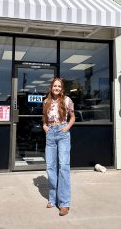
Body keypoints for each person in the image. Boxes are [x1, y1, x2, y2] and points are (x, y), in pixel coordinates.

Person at [42, 77, 75, 216]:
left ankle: (64, 203)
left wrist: (67, 127)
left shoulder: (67, 100)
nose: (57, 88)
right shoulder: (46, 101)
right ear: (51, 87)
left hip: (62, 133)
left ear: (62, 88)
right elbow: (44, 117)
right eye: (55, 86)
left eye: (59, 86)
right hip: (50, 134)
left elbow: (72, 117)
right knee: (50, 167)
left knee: (63, 166)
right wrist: (44, 125)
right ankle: (52, 198)